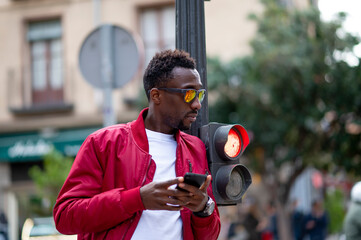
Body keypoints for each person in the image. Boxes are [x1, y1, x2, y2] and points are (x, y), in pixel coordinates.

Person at [53, 49, 221, 240]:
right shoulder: (104, 143)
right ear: (156, 96)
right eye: (189, 94)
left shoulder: (196, 148)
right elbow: (65, 217)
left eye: (199, 94)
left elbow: (210, 235)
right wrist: (136, 199)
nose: (197, 104)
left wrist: (203, 208)